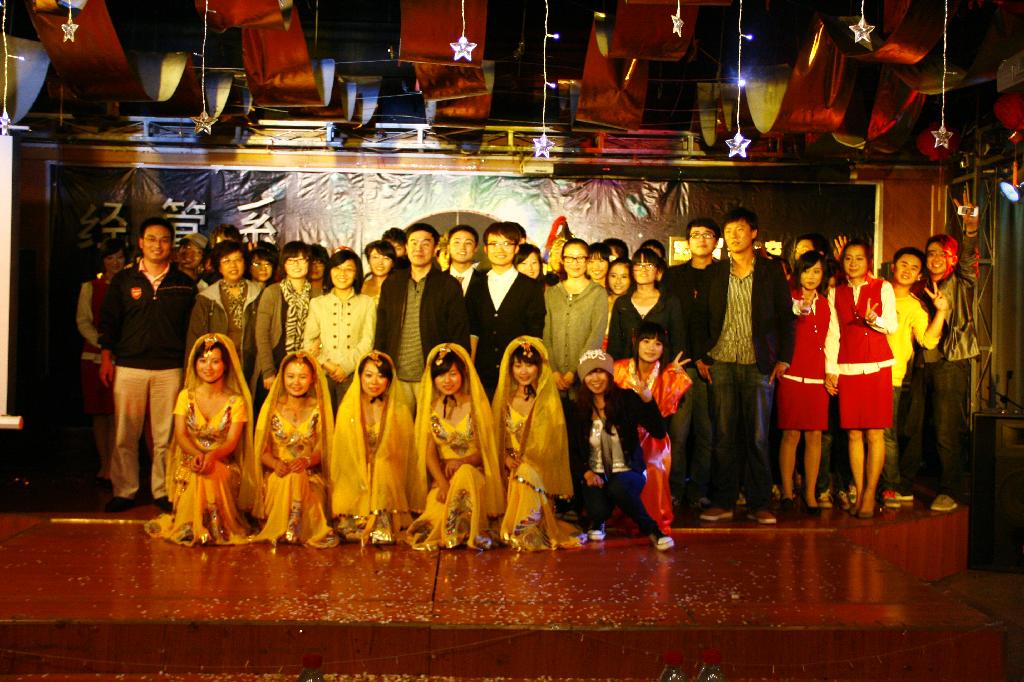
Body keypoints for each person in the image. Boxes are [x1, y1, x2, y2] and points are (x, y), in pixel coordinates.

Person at [692, 208, 794, 525]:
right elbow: (700, 317)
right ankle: (723, 500)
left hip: (758, 363)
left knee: (758, 437)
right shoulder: (715, 272)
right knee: (724, 435)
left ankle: (759, 502)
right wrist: (700, 355)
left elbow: (786, 317)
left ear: (754, 233)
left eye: (740, 229)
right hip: (721, 361)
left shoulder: (770, 271)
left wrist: (784, 358)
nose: (734, 236)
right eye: (729, 231)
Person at [99, 217, 198, 513]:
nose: (158, 245)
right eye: (152, 239)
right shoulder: (124, 280)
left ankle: (163, 490)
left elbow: (190, 330)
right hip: (129, 366)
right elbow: (109, 322)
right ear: (141, 243)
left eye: (164, 239)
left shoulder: (183, 284)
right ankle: (124, 491)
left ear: (171, 245)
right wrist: (106, 357)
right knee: (125, 433)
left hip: (169, 368)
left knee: (166, 435)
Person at [905, 193, 979, 512]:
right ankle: (901, 484)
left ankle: (949, 490)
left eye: (941, 253)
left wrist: (970, 229)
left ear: (951, 257)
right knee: (914, 426)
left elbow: (969, 260)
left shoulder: (960, 279)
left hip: (951, 361)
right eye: (931, 253)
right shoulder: (918, 286)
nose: (935, 258)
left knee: (946, 430)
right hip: (923, 363)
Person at [145, 334, 254, 545]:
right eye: (203, 361)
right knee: (198, 472)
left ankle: (212, 527)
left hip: (222, 461)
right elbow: (180, 434)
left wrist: (212, 456)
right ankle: (190, 525)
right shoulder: (185, 396)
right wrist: (198, 455)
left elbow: (232, 441)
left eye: (215, 361)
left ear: (225, 365)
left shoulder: (236, 401)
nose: (208, 367)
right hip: (191, 460)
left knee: (211, 471)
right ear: (194, 364)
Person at [568, 349, 674, 550]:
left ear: (609, 374)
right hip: (597, 474)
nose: (595, 378)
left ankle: (653, 530)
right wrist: (587, 473)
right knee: (597, 510)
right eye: (590, 373)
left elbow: (659, 432)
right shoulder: (578, 408)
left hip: (629, 470)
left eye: (600, 372)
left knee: (618, 487)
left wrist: (648, 400)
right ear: (583, 378)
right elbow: (572, 450)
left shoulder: (627, 399)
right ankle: (599, 520)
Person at [406, 344, 504, 550]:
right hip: (444, 479)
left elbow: (488, 450)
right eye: (441, 375)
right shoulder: (430, 408)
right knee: (432, 522)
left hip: (475, 476)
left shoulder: (477, 406)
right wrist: (442, 484)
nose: (447, 380)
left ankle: (460, 533)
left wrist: (463, 462)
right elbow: (429, 453)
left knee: (465, 473)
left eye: (452, 374)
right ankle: (455, 531)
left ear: (463, 374)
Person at [825, 239, 897, 519]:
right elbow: (833, 333)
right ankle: (859, 487)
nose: (853, 263)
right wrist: (831, 369)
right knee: (853, 433)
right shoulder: (836, 293)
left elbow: (892, 326)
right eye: (848, 258)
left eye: (859, 258)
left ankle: (870, 494)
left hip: (877, 367)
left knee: (875, 433)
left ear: (869, 262)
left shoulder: (883, 287)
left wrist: (874, 319)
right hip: (848, 367)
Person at [493, 337, 582, 550]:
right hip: (508, 473)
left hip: (538, 474)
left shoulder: (549, 403)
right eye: (518, 365)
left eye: (529, 365)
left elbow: (553, 448)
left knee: (526, 472)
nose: (523, 371)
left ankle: (524, 531)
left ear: (539, 368)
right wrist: (506, 459)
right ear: (510, 368)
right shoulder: (504, 400)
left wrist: (528, 463)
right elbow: (496, 439)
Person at [374, 224, 470, 409]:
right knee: (399, 426)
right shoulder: (392, 283)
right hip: (397, 377)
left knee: (432, 425)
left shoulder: (448, 285)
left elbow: (459, 332)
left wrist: (452, 372)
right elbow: (382, 329)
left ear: (435, 249)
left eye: (425, 243)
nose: (419, 248)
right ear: (406, 248)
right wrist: (380, 367)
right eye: (413, 243)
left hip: (435, 376)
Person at [880, 247, 947, 509]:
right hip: (860, 373)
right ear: (893, 266)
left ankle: (891, 486)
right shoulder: (876, 292)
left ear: (919, 275)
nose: (907, 270)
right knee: (855, 432)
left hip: (891, 377)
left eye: (914, 267)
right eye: (903, 264)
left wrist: (941, 311)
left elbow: (928, 341)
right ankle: (854, 484)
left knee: (886, 435)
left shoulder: (915, 307)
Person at [249, 352, 338, 547]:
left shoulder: (319, 408)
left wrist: (306, 461)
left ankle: (292, 527)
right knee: (291, 477)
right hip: (278, 475)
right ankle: (292, 527)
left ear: (312, 379)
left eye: (302, 377)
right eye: (291, 376)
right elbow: (261, 450)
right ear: (282, 378)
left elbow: (323, 448)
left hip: (310, 476)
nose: (296, 382)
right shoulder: (271, 408)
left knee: (298, 476)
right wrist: (276, 464)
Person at [611, 323, 691, 534]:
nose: (651, 348)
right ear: (635, 342)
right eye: (646, 341)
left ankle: (653, 519)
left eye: (658, 343)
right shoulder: (618, 369)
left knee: (654, 466)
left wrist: (674, 376)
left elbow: (659, 423)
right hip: (622, 436)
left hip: (653, 438)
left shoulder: (668, 374)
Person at [661, 219, 718, 508]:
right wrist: (675, 358)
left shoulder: (725, 273)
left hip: (713, 364)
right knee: (678, 434)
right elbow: (668, 321)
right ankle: (674, 489)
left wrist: (708, 357)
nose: (702, 240)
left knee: (707, 433)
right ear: (687, 241)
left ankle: (699, 490)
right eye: (696, 235)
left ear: (716, 241)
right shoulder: (673, 276)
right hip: (680, 365)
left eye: (708, 235)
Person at [776, 251, 838, 514]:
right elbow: (777, 329)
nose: (811, 276)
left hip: (817, 377)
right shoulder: (786, 298)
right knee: (790, 434)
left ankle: (810, 493)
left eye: (816, 271)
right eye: (806, 270)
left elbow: (833, 339)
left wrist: (831, 372)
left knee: (814, 436)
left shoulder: (827, 303)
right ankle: (787, 492)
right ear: (798, 272)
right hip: (791, 375)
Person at [330, 351, 415, 545]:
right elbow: (343, 455)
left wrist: (379, 460)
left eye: (380, 376)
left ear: (389, 380)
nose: (374, 382)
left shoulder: (399, 411)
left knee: (383, 465)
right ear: (359, 377)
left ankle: (382, 519)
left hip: (387, 478)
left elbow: (404, 455)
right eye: (368, 375)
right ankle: (361, 518)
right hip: (355, 477)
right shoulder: (347, 409)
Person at [466, 222, 546, 395]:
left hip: (518, 376)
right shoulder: (476, 286)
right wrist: (470, 371)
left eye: (507, 244)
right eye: (494, 244)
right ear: (486, 249)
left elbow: (535, 331)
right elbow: (473, 330)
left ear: (516, 248)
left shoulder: (531, 287)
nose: (500, 249)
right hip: (483, 375)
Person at [77, 237, 126, 489]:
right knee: (99, 413)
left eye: (119, 257)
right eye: (110, 258)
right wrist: (102, 342)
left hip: (124, 357)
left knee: (118, 413)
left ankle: (116, 466)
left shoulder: (132, 285)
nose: (115, 262)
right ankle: (104, 463)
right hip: (93, 356)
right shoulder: (90, 287)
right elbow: (83, 321)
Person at [187, 240, 263, 395]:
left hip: (250, 363)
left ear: (245, 263)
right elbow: (195, 339)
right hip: (216, 364)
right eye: (226, 261)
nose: (233, 265)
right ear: (218, 266)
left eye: (238, 260)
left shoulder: (259, 293)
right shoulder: (206, 298)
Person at [304, 249, 376, 409]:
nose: (342, 274)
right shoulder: (318, 303)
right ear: (330, 272)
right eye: (337, 268)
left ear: (356, 274)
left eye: (349, 269)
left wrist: (346, 368)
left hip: (354, 374)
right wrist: (328, 365)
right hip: (323, 373)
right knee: (325, 418)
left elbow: (368, 341)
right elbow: (308, 342)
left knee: (350, 420)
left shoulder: (367, 303)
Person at [543, 238, 609, 398]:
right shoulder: (551, 293)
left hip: (585, 376)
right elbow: (546, 334)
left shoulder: (598, 293)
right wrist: (554, 371)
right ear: (562, 260)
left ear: (587, 260)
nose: (575, 263)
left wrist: (574, 371)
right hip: (553, 377)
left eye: (580, 258)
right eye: (569, 258)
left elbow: (596, 336)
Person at [254, 241, 313, 403]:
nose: (297, 265)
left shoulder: (317, 293)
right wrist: (268, 370)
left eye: (301, 260)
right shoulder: (272, 292)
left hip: (305, 367)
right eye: (291, 260)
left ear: (308, 263)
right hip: (275, 364)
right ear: (283, 264)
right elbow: (262, 334)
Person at [607, 247, 687, 364]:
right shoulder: (622, 303)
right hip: (627, 368)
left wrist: (677, 367)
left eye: (649, 265)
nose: (643, 270)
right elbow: (614, 343)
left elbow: (678, 339)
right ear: (632, 271)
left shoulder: (670, 301)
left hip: (662, 368)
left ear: (657, 271)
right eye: (638, 265)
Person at [446, 225, 485, 296]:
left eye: (468, 243)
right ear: (448, 247)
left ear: (476, 248)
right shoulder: (435, 281)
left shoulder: (485, 281)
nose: (462, 248)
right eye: (457, 242)